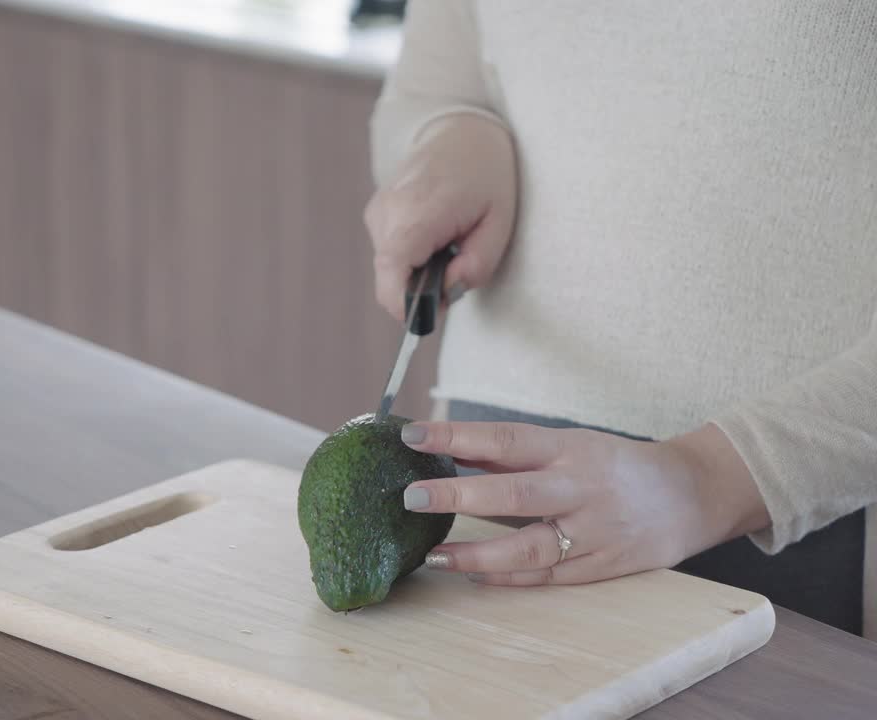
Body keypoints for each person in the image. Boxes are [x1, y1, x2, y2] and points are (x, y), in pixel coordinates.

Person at [364, 0, 877, 638]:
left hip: (811, 510)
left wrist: (708, 479)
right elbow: (428, 90)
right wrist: (452, 134)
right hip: (486, 487)